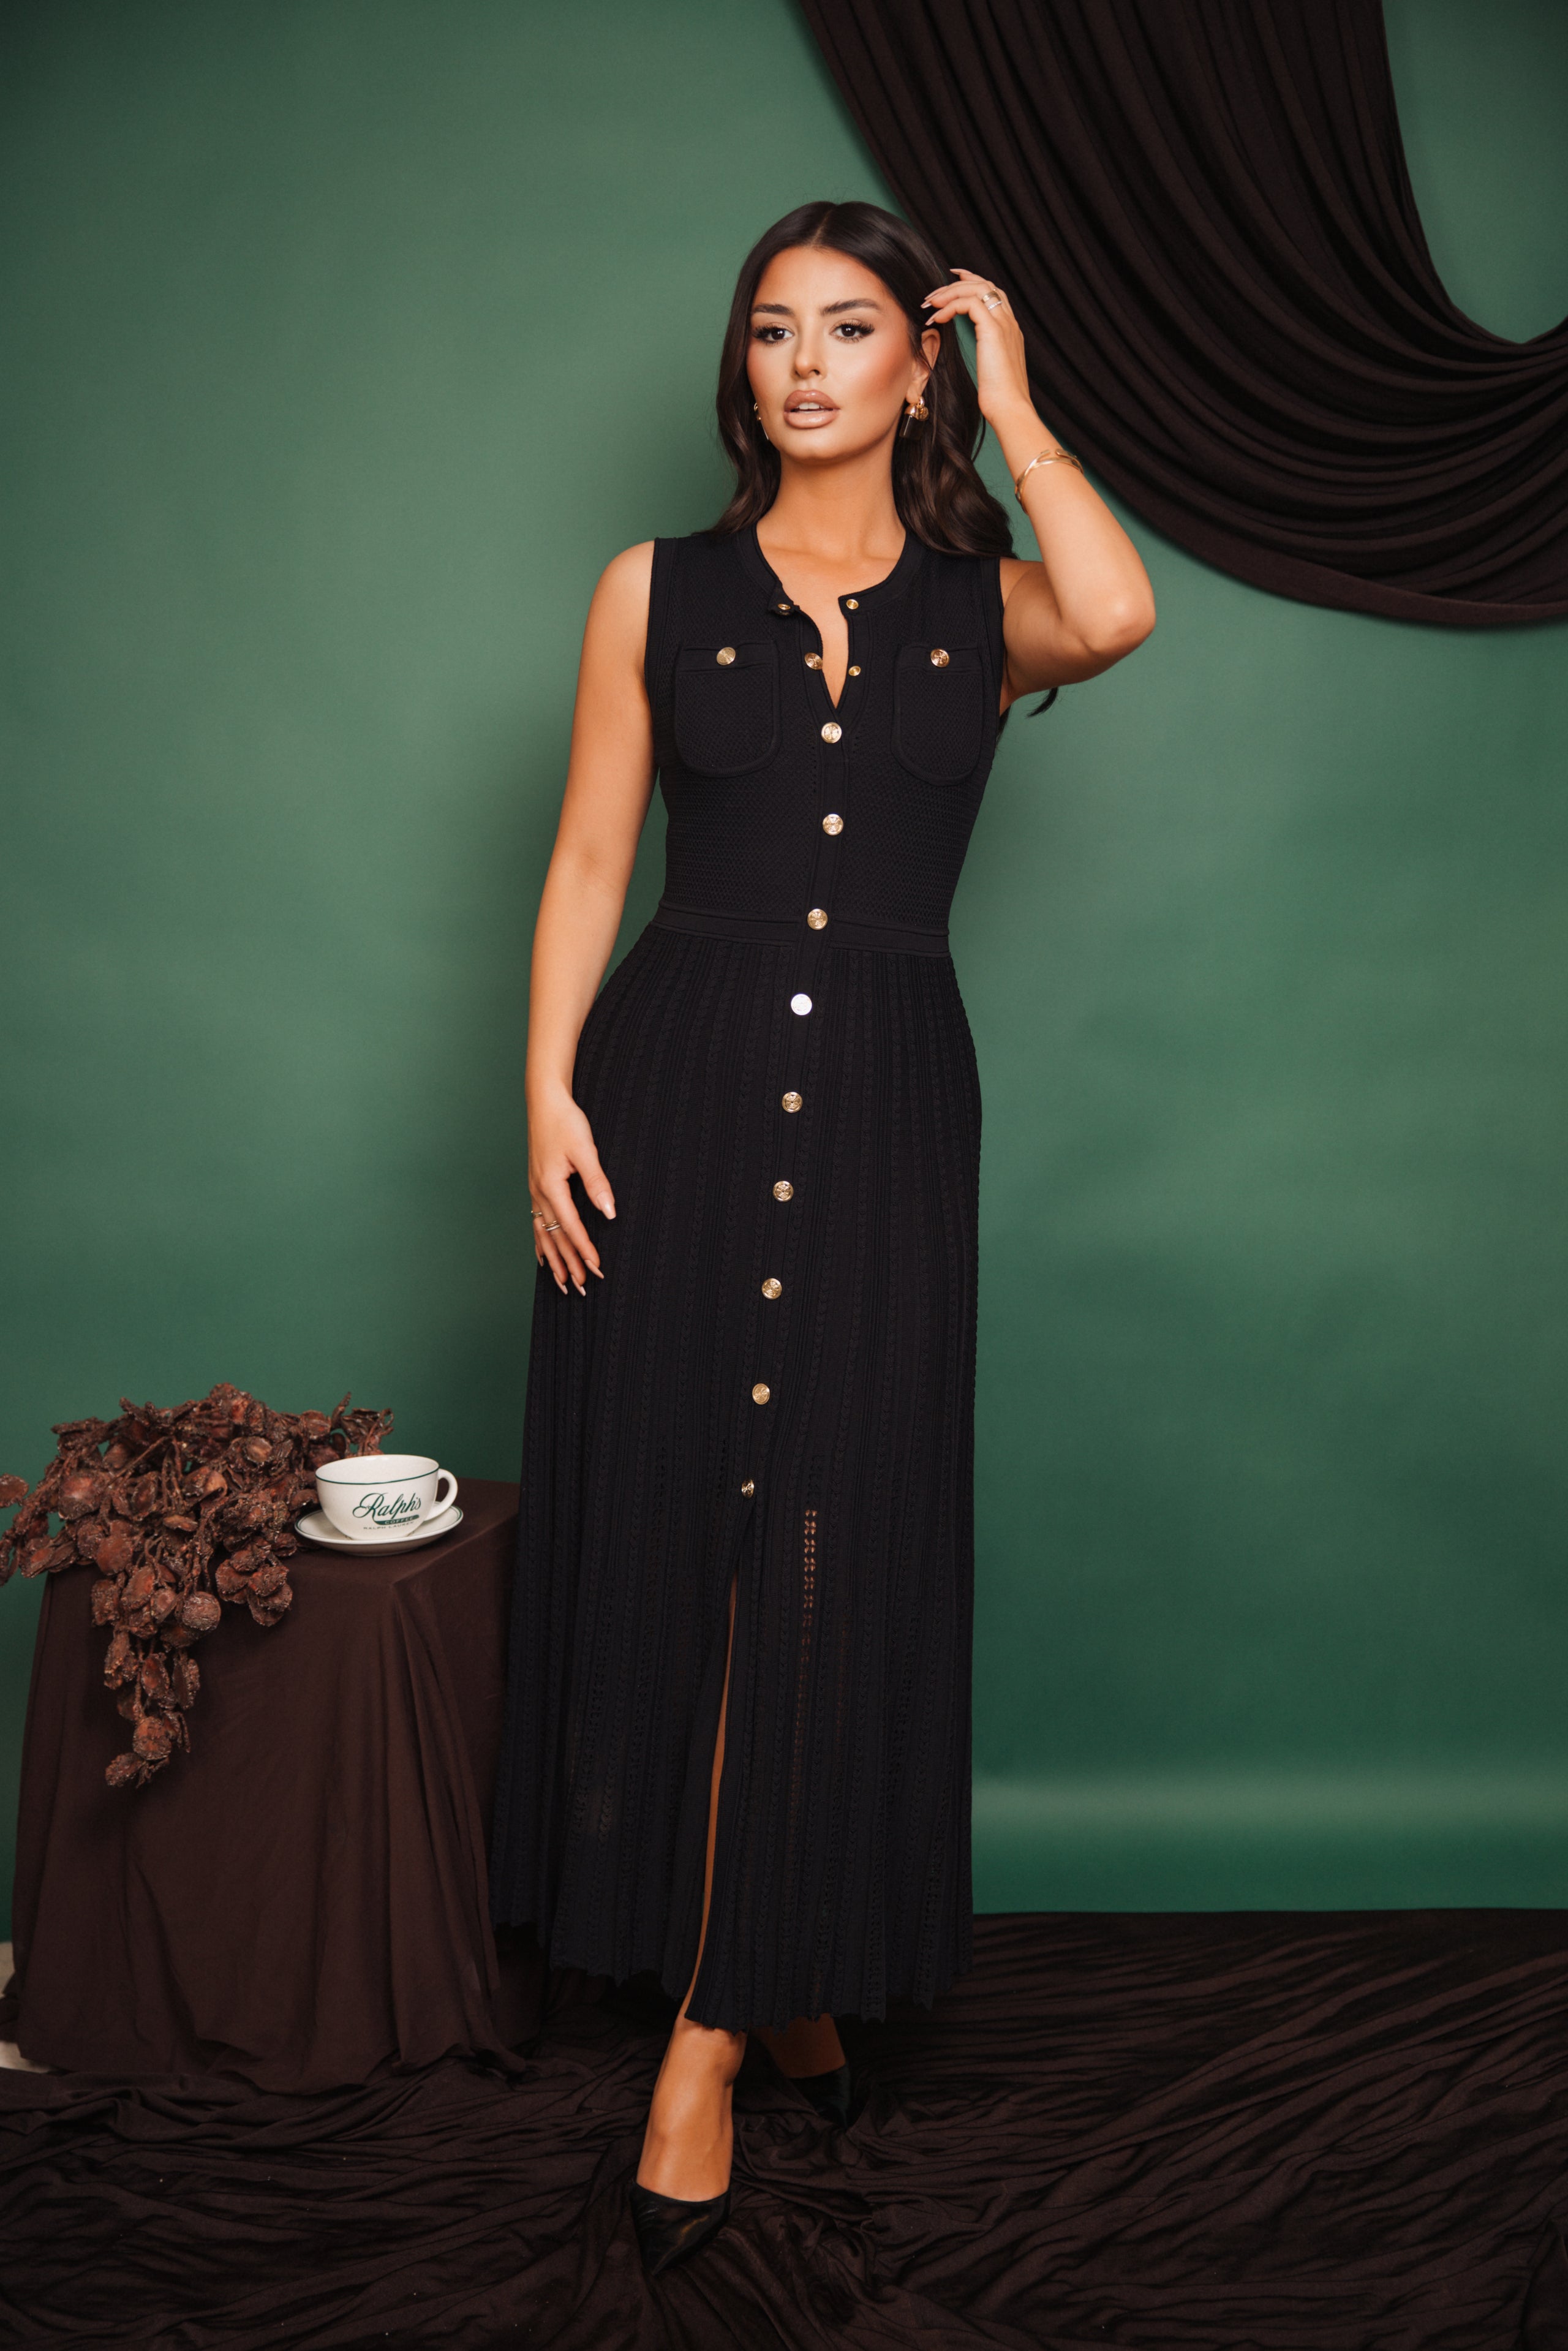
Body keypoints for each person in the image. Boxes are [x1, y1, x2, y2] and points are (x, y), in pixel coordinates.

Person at [488, 198, 1155, 2277]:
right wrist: (544, 1094)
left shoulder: (986, 602)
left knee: (827, 1549)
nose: (802, 364)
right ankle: (743, 2005)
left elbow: (1121, 612)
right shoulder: (655, 589)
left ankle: (734, 2005)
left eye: (850, 329)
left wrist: (1029, 411)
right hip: (672, 1096)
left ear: (912, 366)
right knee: (691, 1533)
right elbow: (594, 846)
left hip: (884, 1113)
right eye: (772, 329)